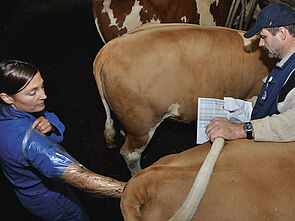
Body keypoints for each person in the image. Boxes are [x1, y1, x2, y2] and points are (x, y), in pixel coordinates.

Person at [0, 60, 126, 221]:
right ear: (7, 97)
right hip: (55, 201)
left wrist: (51, 126)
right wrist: (134, 189)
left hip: (29, 195)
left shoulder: (9, 112)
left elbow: (49, 116)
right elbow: (82, 180)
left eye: (42, 86)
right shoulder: (31, 141)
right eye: (32, 93)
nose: (44, 96)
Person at [206, 2, 295, 142]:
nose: (260, 44)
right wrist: (240, 106)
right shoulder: (285, 65)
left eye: (263, 37)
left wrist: (238, 130)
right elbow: (273, 101)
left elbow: (291, 122)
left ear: (282, 33)